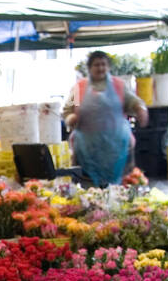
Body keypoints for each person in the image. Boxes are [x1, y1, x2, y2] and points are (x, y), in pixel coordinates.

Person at [63, 51, 149, 187]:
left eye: (103, 64)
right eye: (96, 65)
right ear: (90, 68)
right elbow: (67, 111)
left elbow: (133, 102)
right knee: (88, 190)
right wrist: (71, 118)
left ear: (108, 67)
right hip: (87, 150)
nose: (100, 68)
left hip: (117, 150)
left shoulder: (119, 85)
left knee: (119, 189)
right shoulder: (79, 88)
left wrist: (140, 109)